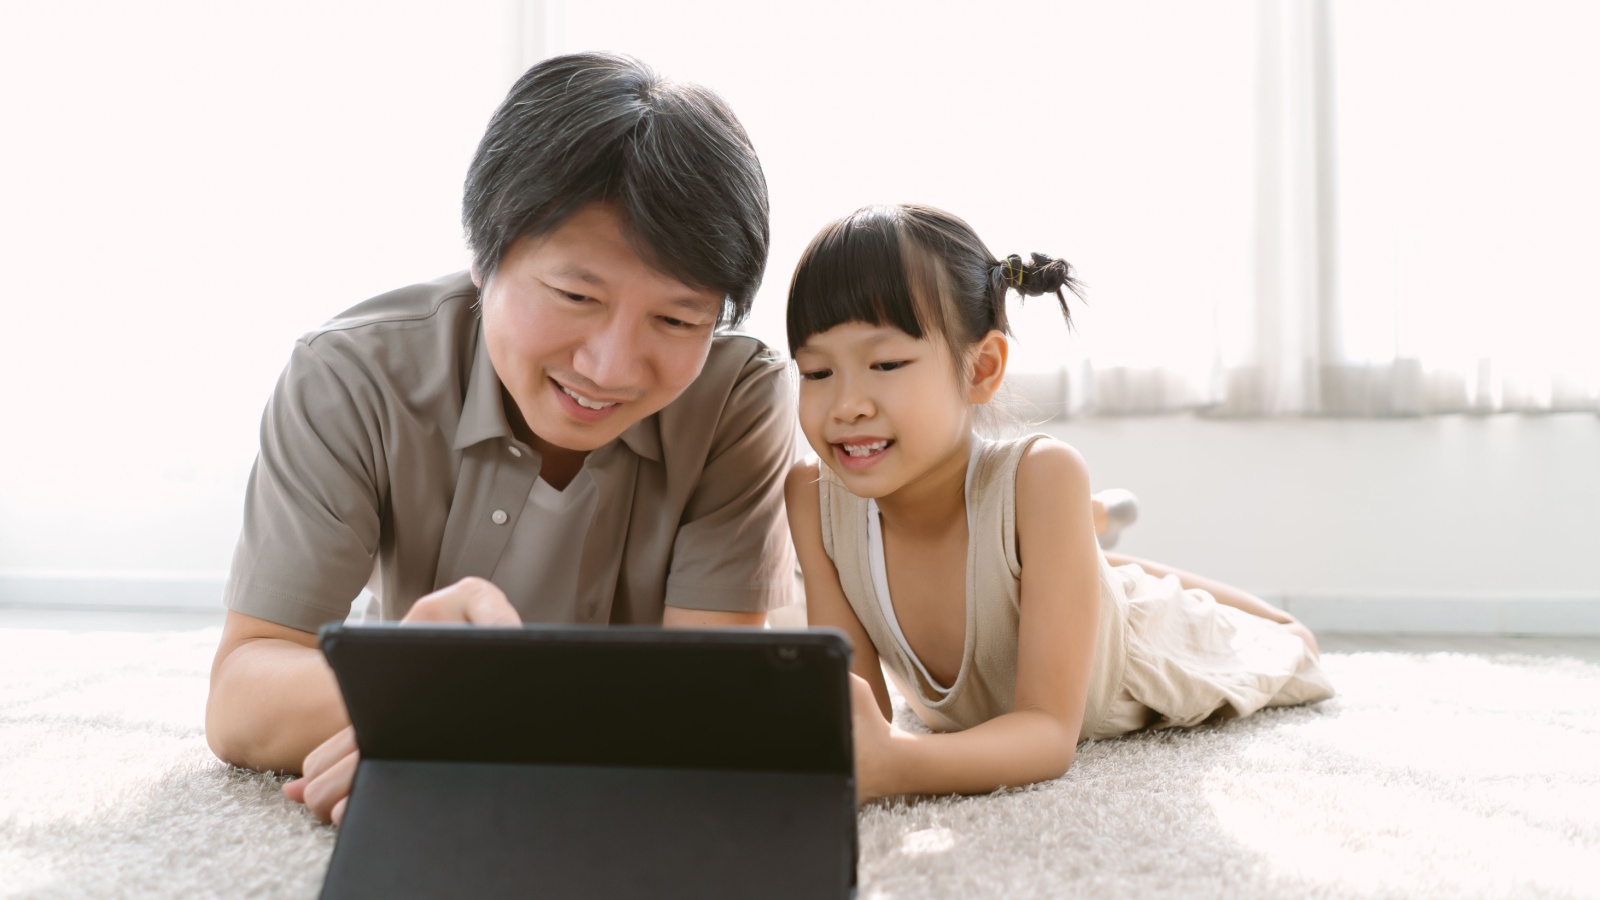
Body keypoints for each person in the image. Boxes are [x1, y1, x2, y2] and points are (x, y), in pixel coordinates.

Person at [205, 52, 797, 824]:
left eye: (678, 320)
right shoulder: (351, 375)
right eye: (576, 295)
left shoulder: (738, 396)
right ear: (484, 259)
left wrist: (470, 709)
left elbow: (705, 699)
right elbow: (241, 695)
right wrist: (454, 698)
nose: (611, 366)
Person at [782, 204, 1334, 801]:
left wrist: (903, 765)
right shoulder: (813, 498)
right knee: (1064, 544)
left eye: (885, 363)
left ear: (981, 369)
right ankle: (1087, 537)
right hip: (1047, 532)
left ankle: (1090, 550)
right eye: (816, 372)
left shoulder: (1045, 476)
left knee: (1292, 641)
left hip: (1138, 643)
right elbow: (857, 713)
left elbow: (1047, 735)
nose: (846, 405)